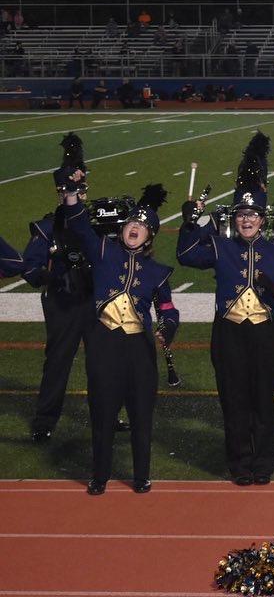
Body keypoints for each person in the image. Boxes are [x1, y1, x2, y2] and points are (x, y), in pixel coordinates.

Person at [176, 132, 274, 485]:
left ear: (263, 220)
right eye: (241, 214)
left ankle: (263, 465)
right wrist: (192, 224)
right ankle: (239, 465)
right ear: (235, 218)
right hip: (229, 333)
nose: (247, 220)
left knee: (263, 402)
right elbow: (186, 256)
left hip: (266, 334)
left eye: (253, 215)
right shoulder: (220, 247)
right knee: (233, 401)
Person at [59, 180, 179, 495]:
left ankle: (141, 476)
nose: (134, 227)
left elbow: (167, 309)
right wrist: (71, 193)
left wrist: (167, 327)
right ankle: (99, 475)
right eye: (131, 223)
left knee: (141, 415)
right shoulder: (102, 251)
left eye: (141, 225)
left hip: (139, 352)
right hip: (104, 347)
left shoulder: (157, 271)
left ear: (150, 234)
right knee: (102, 412)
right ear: (123, 229)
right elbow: (80, 225)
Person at [21, 134, 105, 443]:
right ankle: (45, 419)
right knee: (57, 362)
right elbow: (29, 268)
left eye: (80, 190)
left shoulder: (97, 224)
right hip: (63, 303)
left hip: (95, 301)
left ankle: (107, 414)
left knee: (102, 363)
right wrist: (50, 274)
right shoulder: (47, 227)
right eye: (68, 190)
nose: (73, 194)